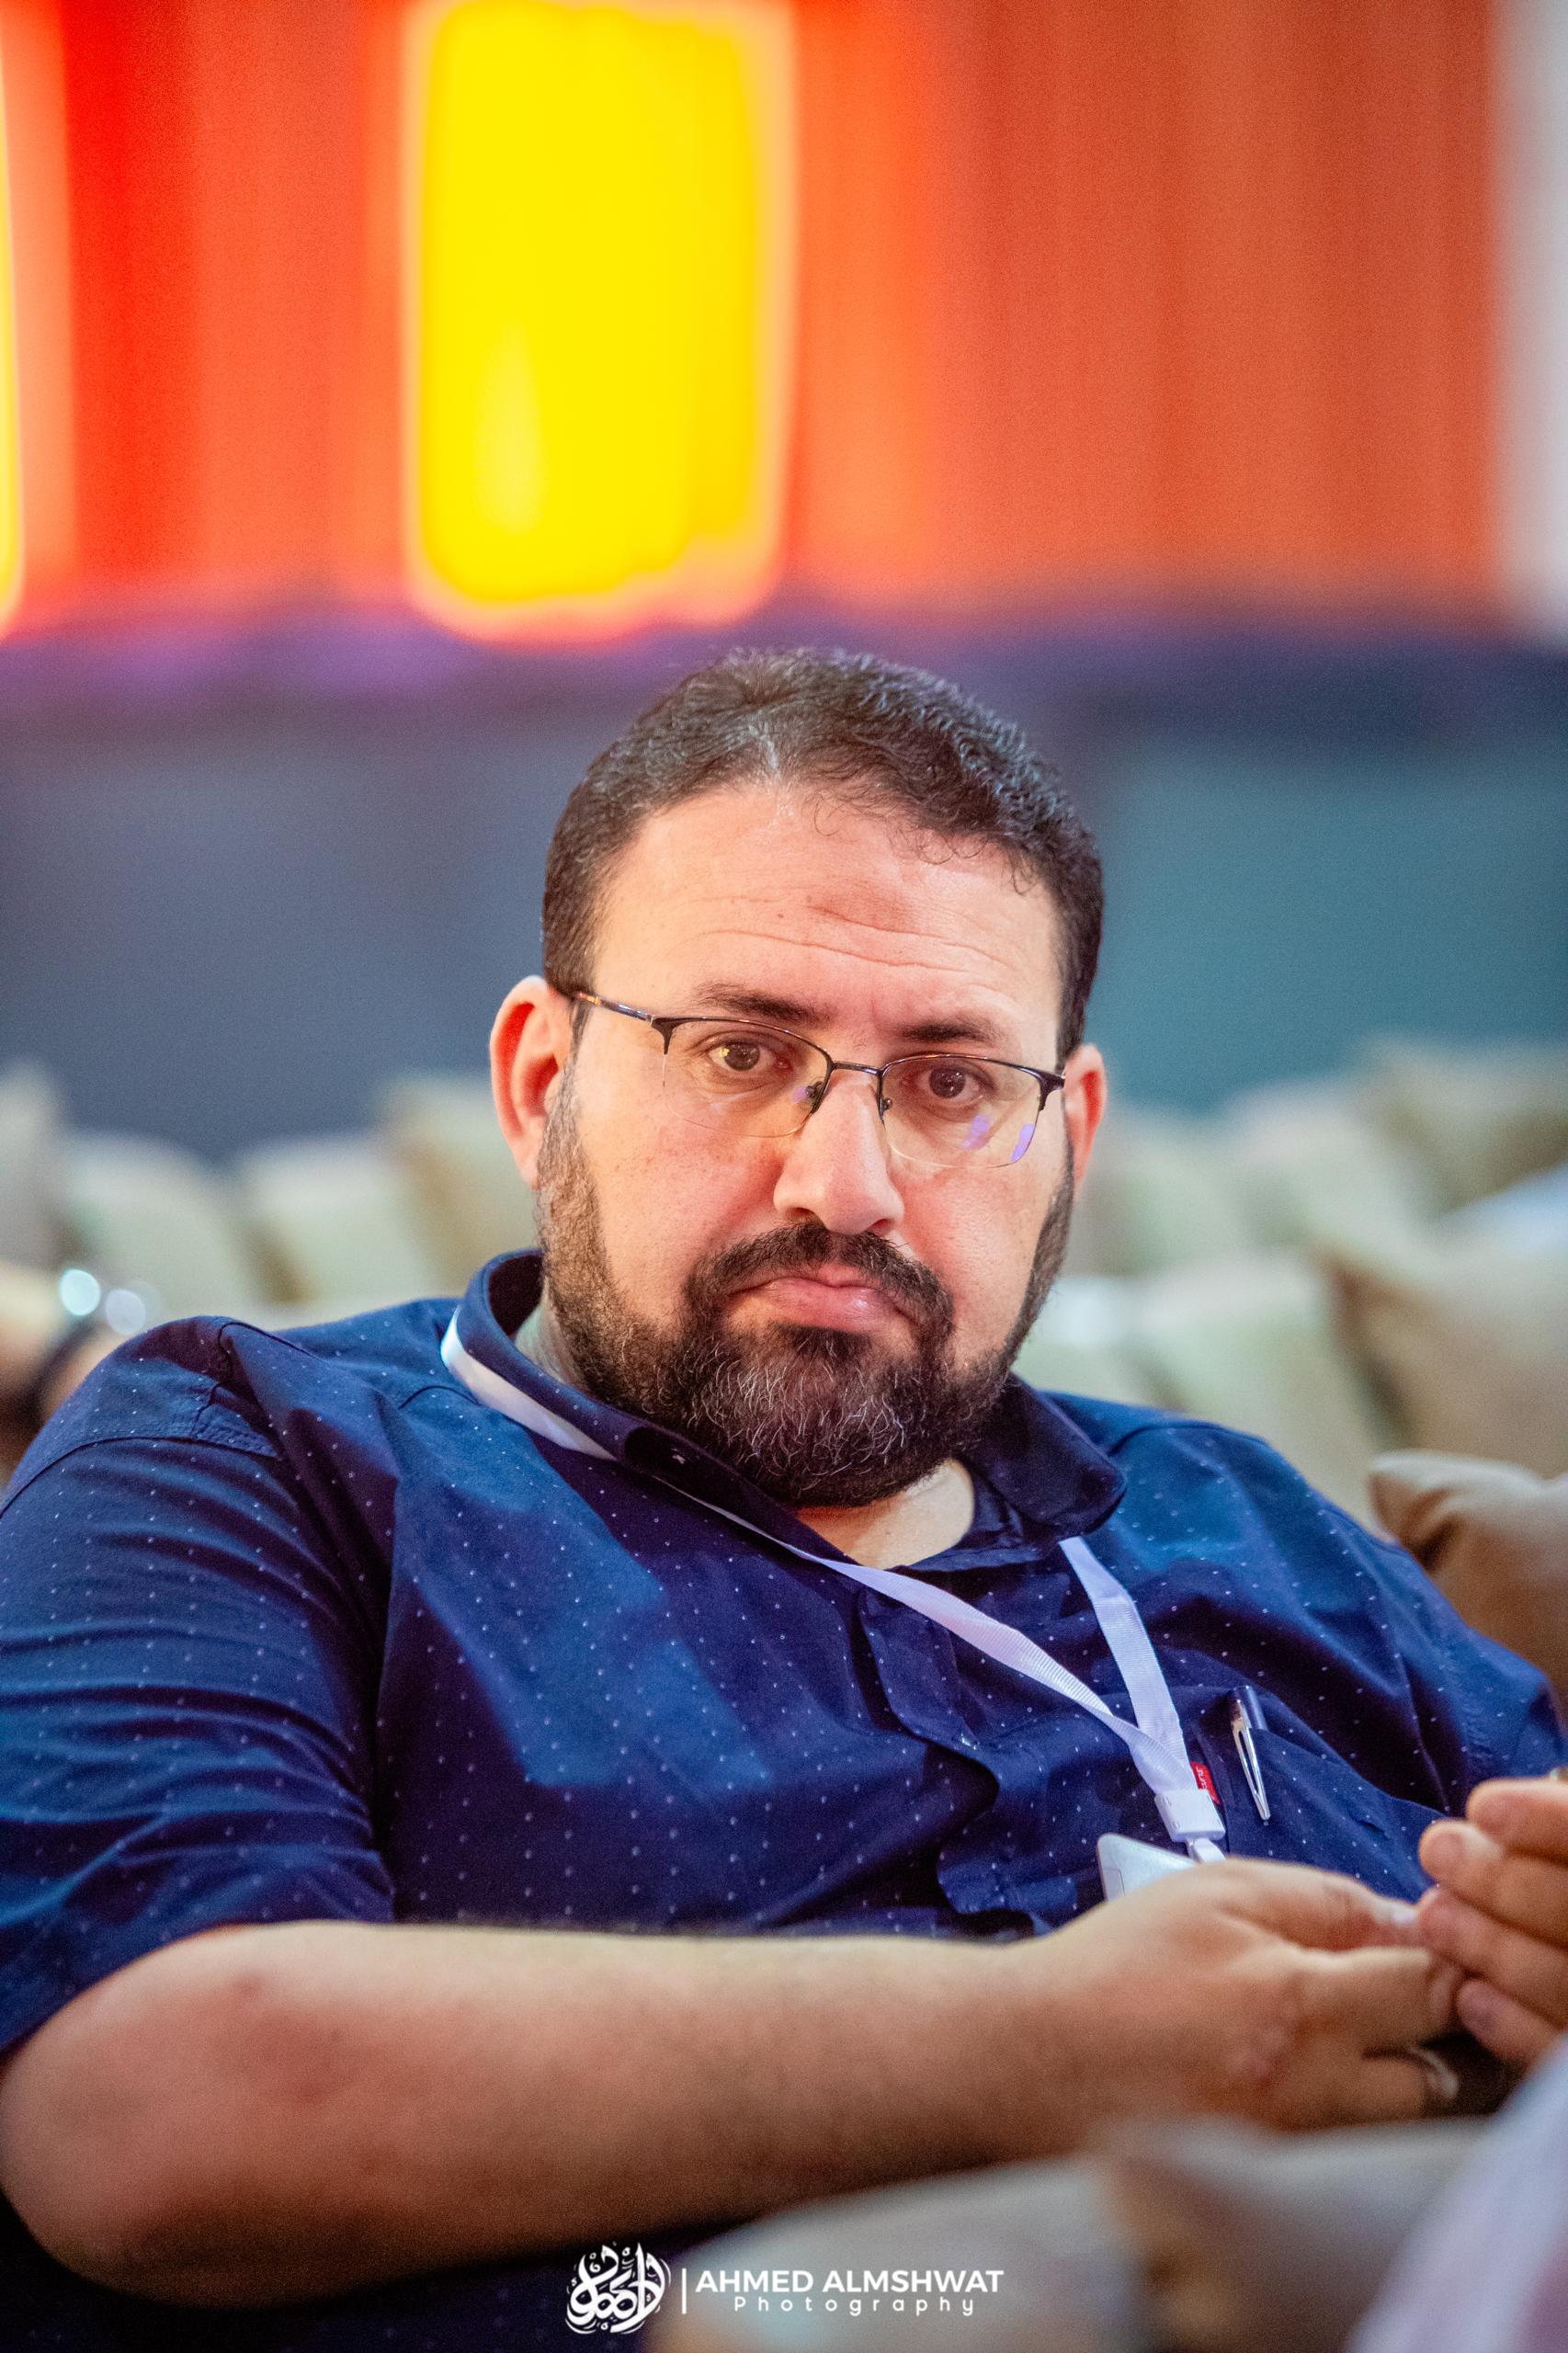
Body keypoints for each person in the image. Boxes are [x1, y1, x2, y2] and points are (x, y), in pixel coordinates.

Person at [0, 650, 1562, 2333]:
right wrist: (1039, 2052)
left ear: (1069, 1136)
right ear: (541, 1085)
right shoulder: (252, 1456)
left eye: (952, 1083)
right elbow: (146, 2111)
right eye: (741, 1053)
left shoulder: (1235, 1519)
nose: (844, 1185)